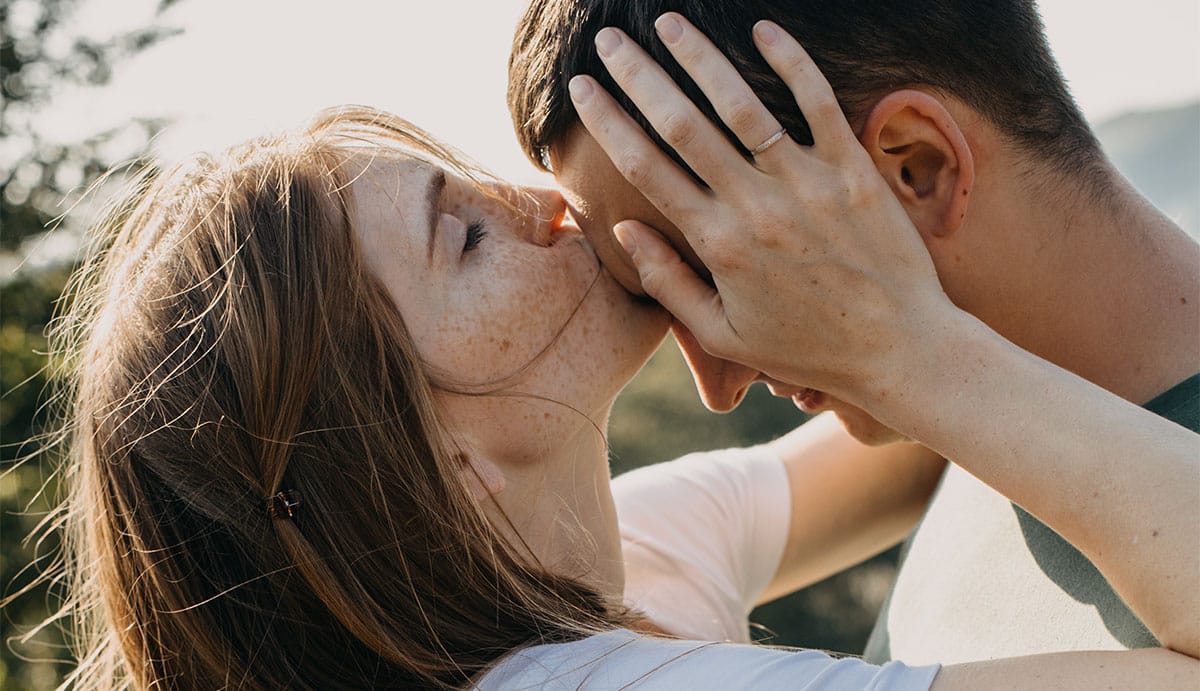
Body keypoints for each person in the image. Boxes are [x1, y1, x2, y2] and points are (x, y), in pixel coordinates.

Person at [45, 97, 1196, 688]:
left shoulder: (589, 573)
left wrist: (845, 316)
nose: (539, 204)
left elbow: (918, 443)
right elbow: (947, 394)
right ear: (417, 456)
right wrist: (909, 352)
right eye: (465, 235)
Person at [507, 0, 1200, 665]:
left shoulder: (939, 382)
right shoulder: (954, 424)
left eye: (720, 269)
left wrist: (911, 361)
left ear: (918, 167)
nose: (717, 386)